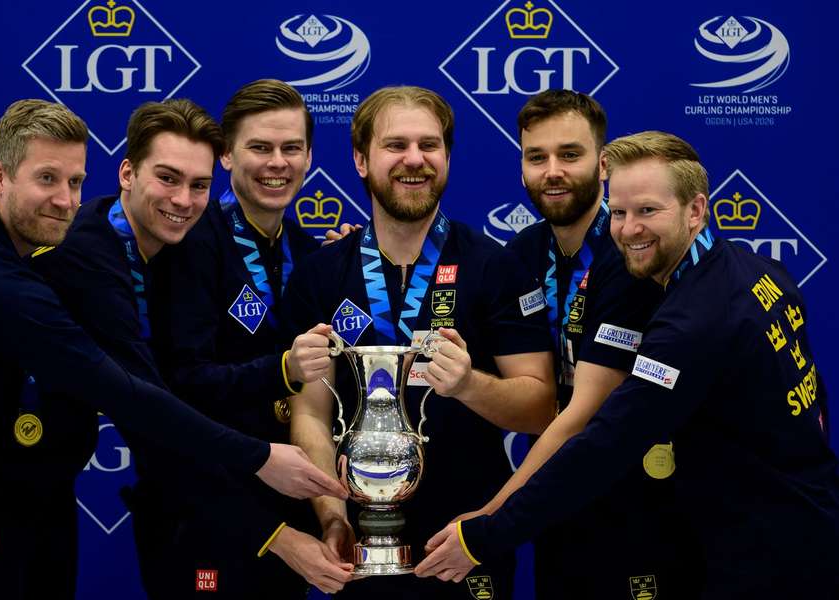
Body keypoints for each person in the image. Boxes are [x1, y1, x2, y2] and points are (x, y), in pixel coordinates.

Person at [0, 98, 344, 600]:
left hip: (38, 491)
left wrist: (338, 266)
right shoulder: (78, 259)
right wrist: (261, 463)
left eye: (198, 186)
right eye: (168, 178)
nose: (183, 199)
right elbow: (137, 399)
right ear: (127, 173)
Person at [415, 131, 839, 599]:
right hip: (803, 519)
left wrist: (484, 536)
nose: (628, 229)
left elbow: (605, 446)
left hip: (768, 558)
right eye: (618, 212)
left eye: (648, 211)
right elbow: (814, 394)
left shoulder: (691, 325)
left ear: (695, 210)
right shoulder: (757, 268)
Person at [282, 85, 557, 599]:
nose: (415, 160)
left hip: (463, 543)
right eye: (396, 145)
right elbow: (311, 413)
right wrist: (331, 516)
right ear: (362, 160)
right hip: (355, 548)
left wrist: (470, 384)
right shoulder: (318, 277)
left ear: (448, 158)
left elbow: (541, 407)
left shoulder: (496, 267)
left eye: (430, 146)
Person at [441, 90, 697, 598]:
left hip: (640, 499)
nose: (552, 170)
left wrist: (491, 518)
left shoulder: (632, 249)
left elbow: (585, 413)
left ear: (603, 165)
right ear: (521, 169)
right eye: (537, 157)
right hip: (557, 499)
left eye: (570, 155)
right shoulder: (519, 254)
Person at [146, 80, 354, 596]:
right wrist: (281, 369)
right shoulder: (190, 243)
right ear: (226, 156)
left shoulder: (314, 256)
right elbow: (180, 382)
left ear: (309, 156)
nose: (277, 163)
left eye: (291, 148)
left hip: (290, 505)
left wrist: (350, 265)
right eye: (260, 147)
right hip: (205, 506)